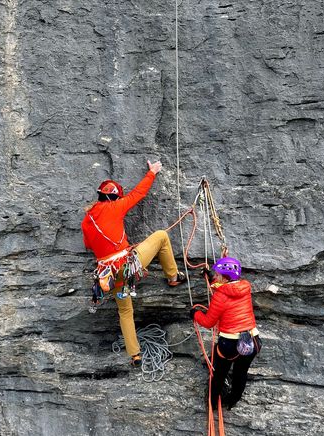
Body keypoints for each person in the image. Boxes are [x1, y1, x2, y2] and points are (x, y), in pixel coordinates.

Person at [82, 159, 187, 367]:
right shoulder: (114, 207)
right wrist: (152, 172)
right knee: (160, 236)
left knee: (125, 311)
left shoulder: (86, 221)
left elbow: (89, 246)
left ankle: (135, 355)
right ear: (114, 197)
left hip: (108, 275)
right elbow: (137, 194)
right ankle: (173, 276)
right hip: (127, 264)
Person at [191, 257, 261, 410]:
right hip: (252, 340)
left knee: (219, 374)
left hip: (229, 344)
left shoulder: (220, 295)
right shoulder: (245, 287)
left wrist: (195, 314)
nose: (215, 276)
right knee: (240, 373)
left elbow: (209, 322)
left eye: (216, 274)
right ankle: (232, 400)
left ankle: (213, 403)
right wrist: (211, 280)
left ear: (223, 277)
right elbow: (227, 288)